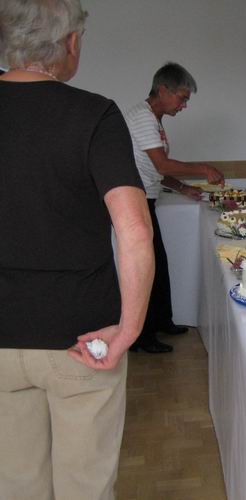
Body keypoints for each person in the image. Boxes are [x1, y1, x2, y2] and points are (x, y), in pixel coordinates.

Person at [0, 1, 154, 498]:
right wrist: (130, 328)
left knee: (16, 485)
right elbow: (134, 230)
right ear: (70, 43)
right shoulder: (94, 114)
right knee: (84, 487)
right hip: (82, 338)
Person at [124, 62, 224, 353]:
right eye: (182, 98)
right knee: (146, 268)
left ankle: (161, 321)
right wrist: (203, 168)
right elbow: (162, 165)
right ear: (163, 90)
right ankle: (142, 337)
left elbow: (154, 169)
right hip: (135, 199)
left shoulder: (153, 119)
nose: (184, 105)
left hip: (146, 196)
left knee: (158, 263)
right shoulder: (142, 117)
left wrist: (182, 188)